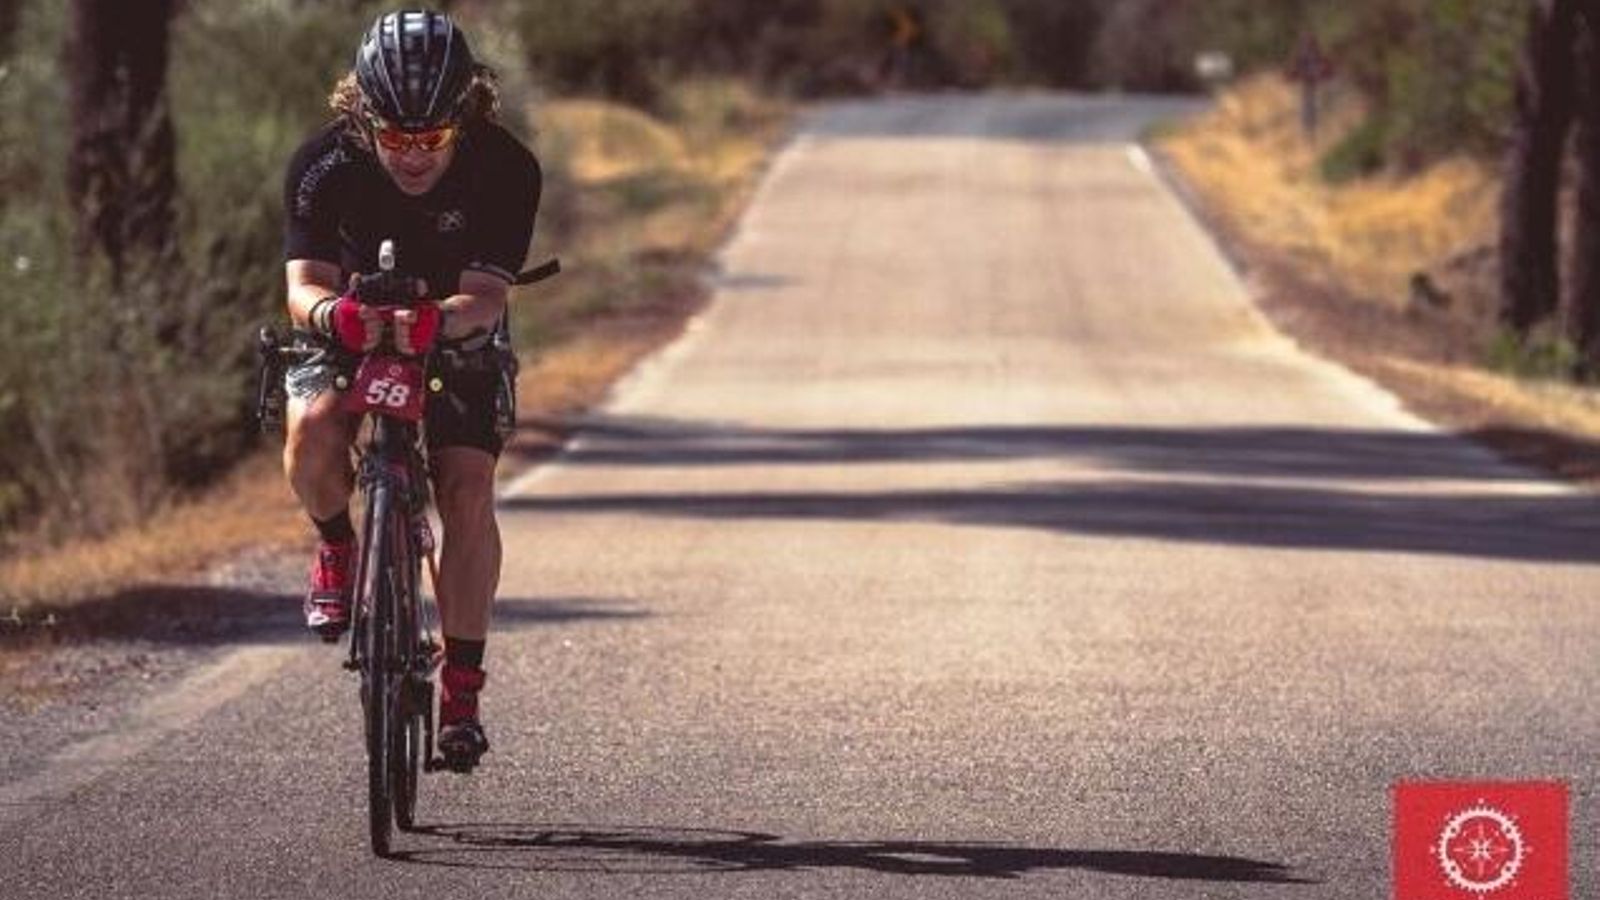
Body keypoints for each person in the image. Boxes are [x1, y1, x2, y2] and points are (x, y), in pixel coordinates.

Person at [280, 9, 542, 770]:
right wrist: (340, 316)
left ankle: (461, 690)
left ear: (464, 114)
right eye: (395, 138)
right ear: (363, 116)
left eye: (431, 139)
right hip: (349, 318)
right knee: (312, 430)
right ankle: (337, 544)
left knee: (466, 486)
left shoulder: (506, 166)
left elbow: (488, 297)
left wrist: (431, 322)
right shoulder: (322, 164)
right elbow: (301, 287)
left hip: (455, 322)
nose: (414, 155)